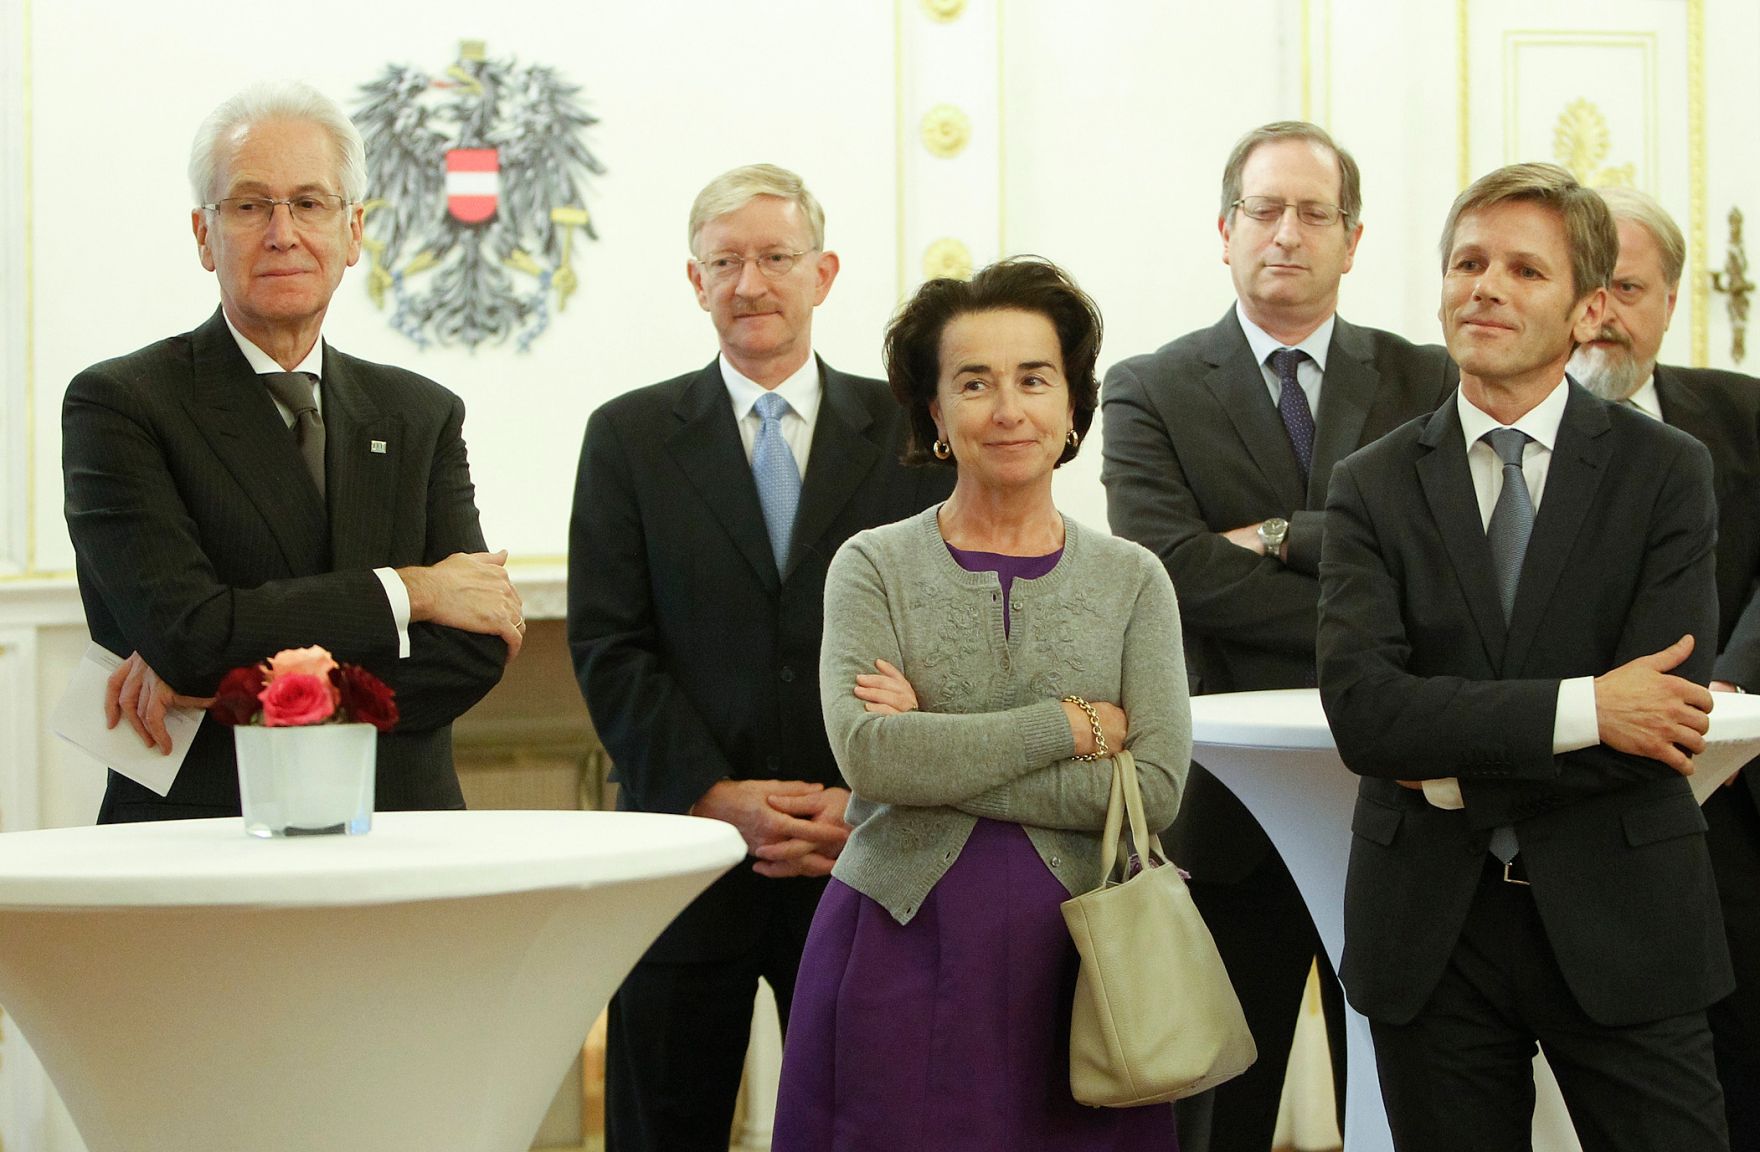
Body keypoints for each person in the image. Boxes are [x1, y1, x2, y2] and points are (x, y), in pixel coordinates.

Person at [1318, 162, 1733, 1151]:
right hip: (1429, 928)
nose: (1484, 287)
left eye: (1521, 269)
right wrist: (1588, 708)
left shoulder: (1664, 472)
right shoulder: (1370, 485)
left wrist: (1448, 764)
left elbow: (1663, 712)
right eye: (1466, 262)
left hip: (1621, 914)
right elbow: (1365, 714)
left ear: (1588, 307)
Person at [567, 164, 952, 1152]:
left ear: (821, 272)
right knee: (664, 1124)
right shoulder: (628, 436)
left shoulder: (913, 434)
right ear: (693, 282)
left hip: (864, 849)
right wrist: (713, 795)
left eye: (774, 258)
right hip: (684, 859)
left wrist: (863, 799)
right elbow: (610, 644)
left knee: (875, 1124)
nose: (750, 283)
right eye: (724, 262)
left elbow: (947, 635)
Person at [772, 257, 1192, 1150]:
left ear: (1072, 404)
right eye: (975, 383)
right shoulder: (872, 565)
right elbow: (870, 759)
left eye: (1034, 379)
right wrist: (1070, 728)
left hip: (1086, 966)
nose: (1008, 409)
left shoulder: (1134, 581)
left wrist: (935, 747)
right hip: (895, 945)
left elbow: (1152, 789)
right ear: (935, 414)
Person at [1100, 119, 1455, 1150]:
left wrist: (1276, 536)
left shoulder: (1422, 379)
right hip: (1222, 812)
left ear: (1352, 239)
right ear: (1223, 229)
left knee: (1397, 1099)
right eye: (1264, 210)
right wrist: (1365, 597)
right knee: (1217, 1115)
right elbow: (1168, 569)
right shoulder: (1147, 387)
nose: (1285, 233)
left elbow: (1441, 566)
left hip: (1395, 806)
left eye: (1313, 213)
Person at [62, 81, 521, 823]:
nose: (283, 232)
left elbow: (471, 653)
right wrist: (412, 593)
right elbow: (190, 634)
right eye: (249, 206)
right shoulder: (121, 404)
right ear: (203, 235)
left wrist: (232, 685)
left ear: (353, 231)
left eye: (310, 204)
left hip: (401, 832)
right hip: (204, 836)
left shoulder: (420, 413)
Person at [1566, 186, 1760, 1149]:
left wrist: (1730, 681)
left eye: (1627, 286)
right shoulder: (1496, 435)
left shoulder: (1744, 415)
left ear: (1671, 300)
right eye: (1587, 285)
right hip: (1564, 803)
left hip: (1735, 807)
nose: (1603, 311)